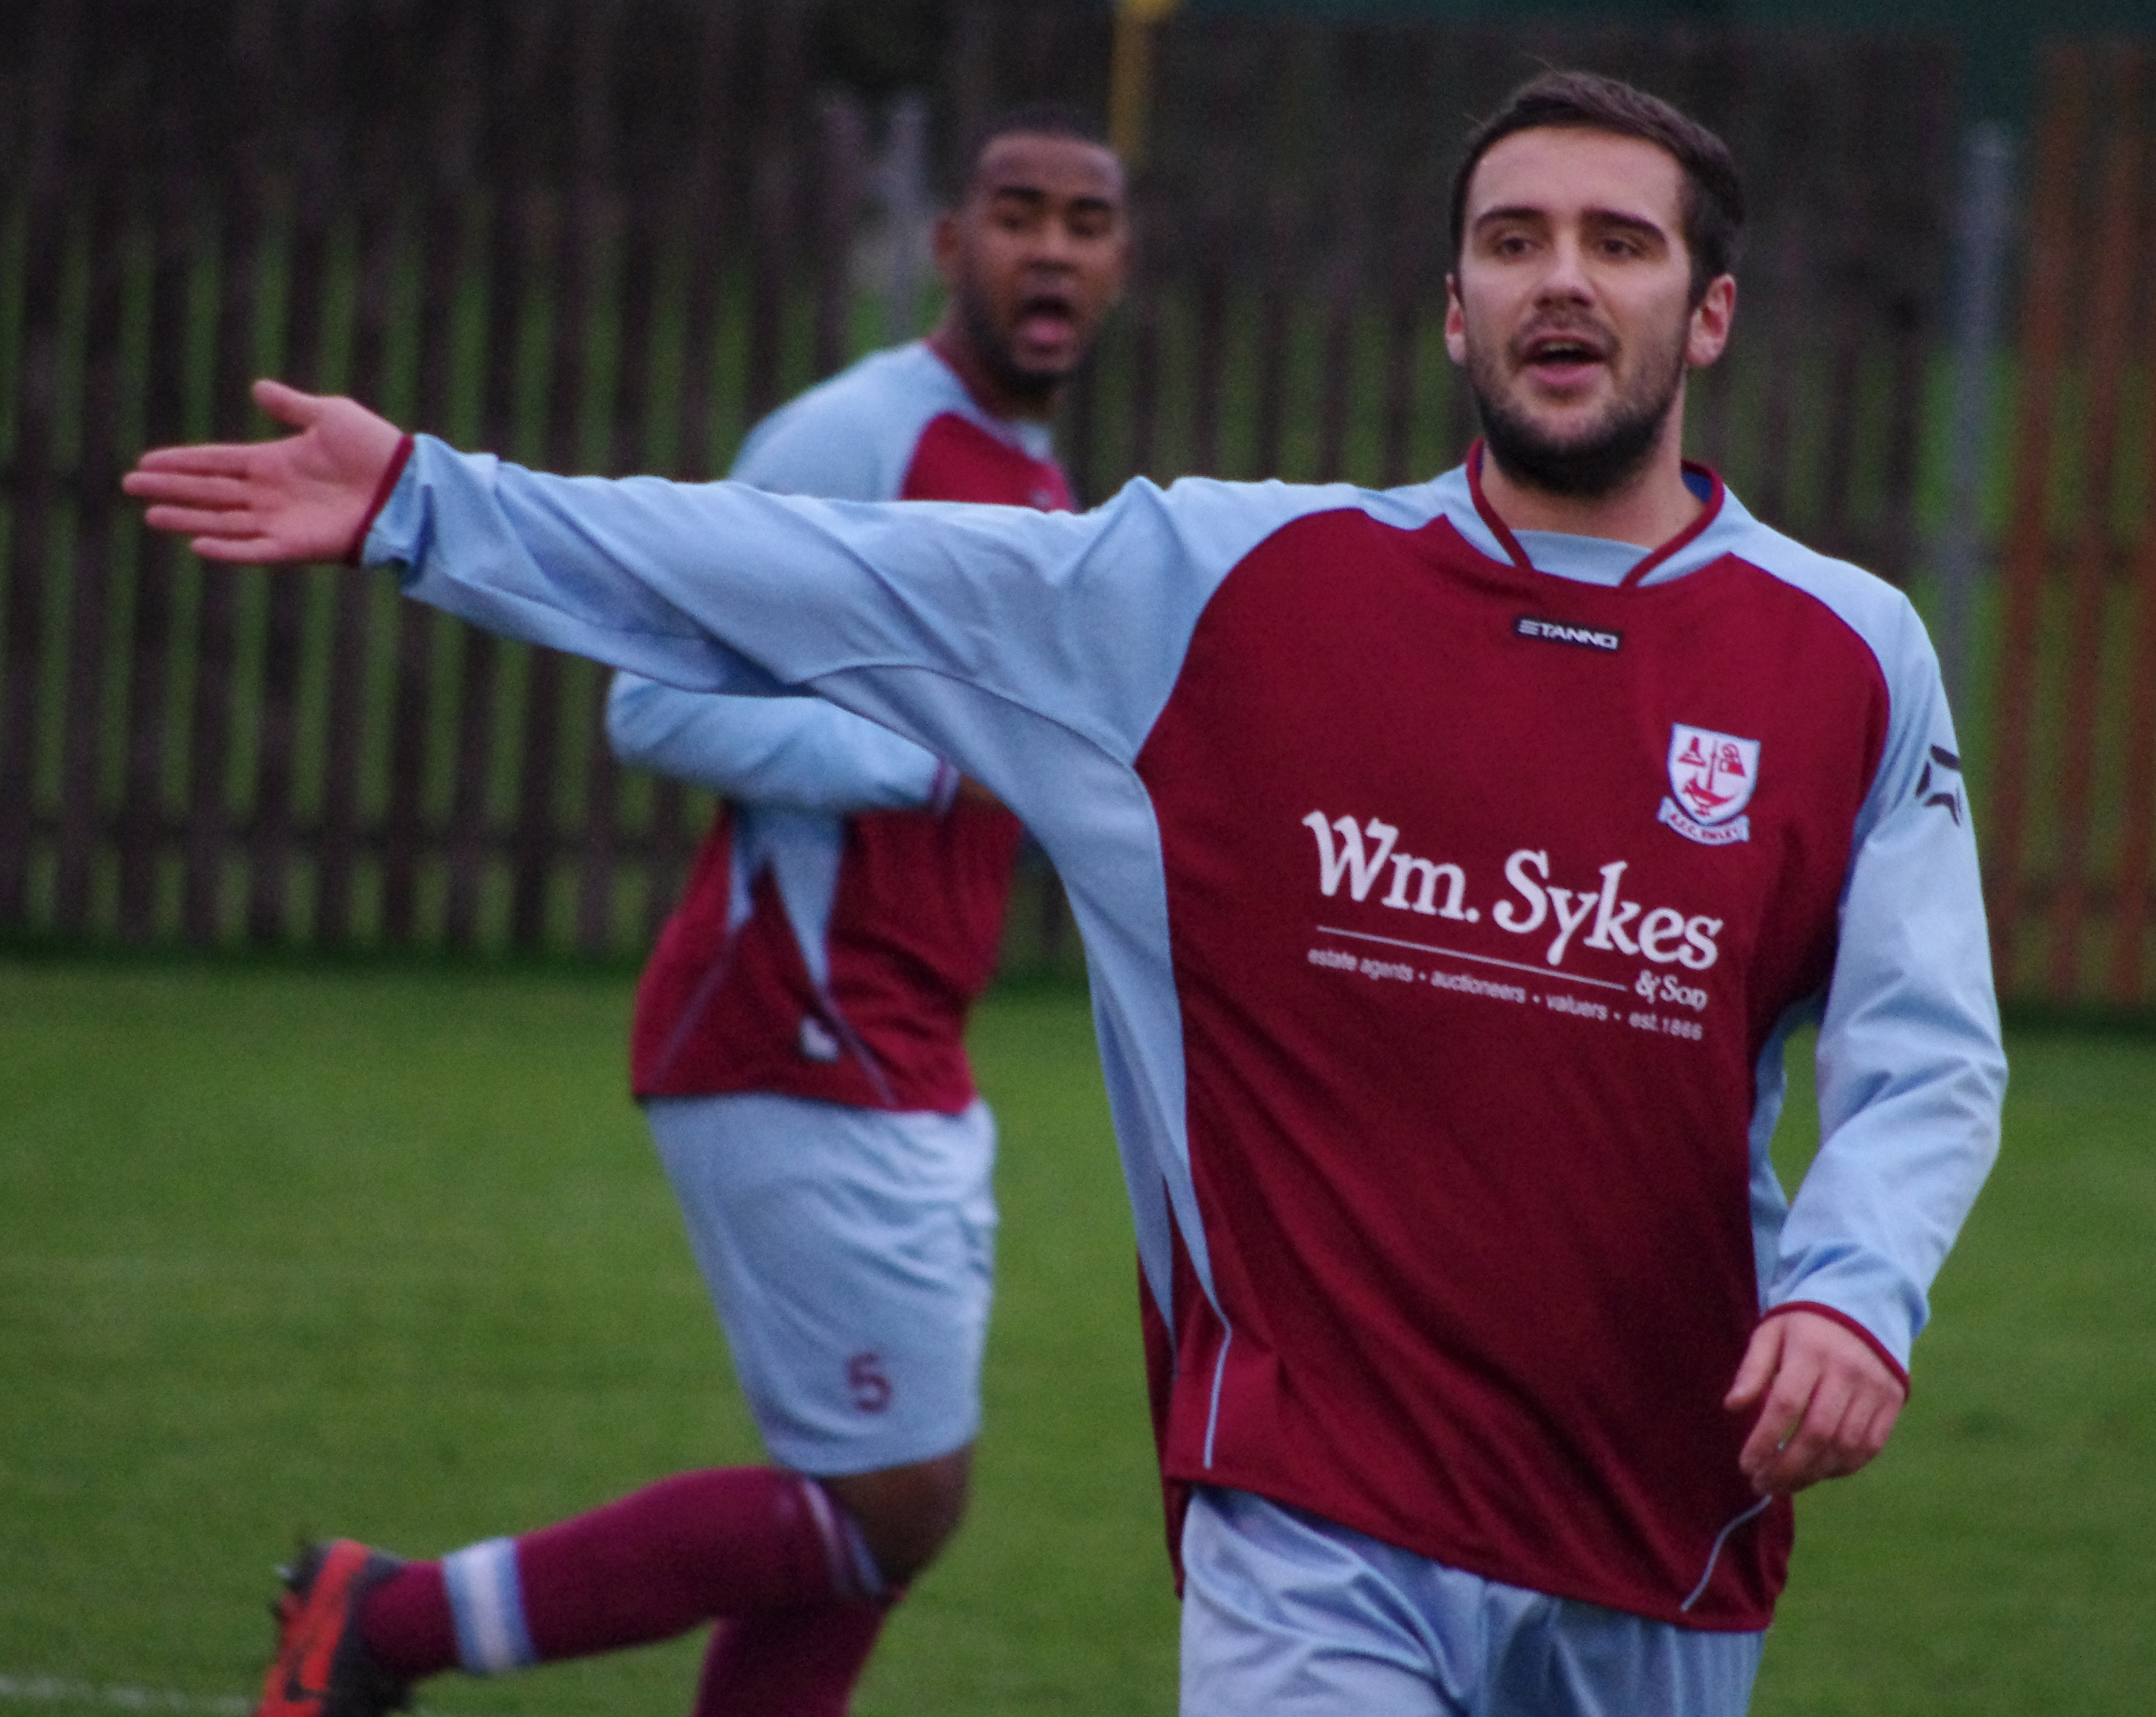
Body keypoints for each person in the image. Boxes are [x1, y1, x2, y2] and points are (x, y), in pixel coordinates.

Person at [129, 72, 2005, 1717]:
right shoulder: (1219, 595)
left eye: (1620, 241)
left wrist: (1854, 1296)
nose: (1566, 277)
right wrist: (430, 506)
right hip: (1309, 1523)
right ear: (1455, 310)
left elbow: (1926, 1047)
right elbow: (811, 571)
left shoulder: (1848, 653)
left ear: (1713, 309)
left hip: (1660, 1519)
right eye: (1514, 240)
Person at [224, 108, 1127, 1717]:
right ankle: (385, 1619)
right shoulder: (853, 433)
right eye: (1015, 213)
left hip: (905, 1034)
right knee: (891, 1499)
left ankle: (384, 1619)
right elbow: (651, 706)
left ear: (1117, 261)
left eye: (1084, 220)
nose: (1048, 245)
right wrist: (923, 769)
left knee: (859, 1514)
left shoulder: (1042, 475)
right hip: (787, 1013)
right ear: (949, 245)